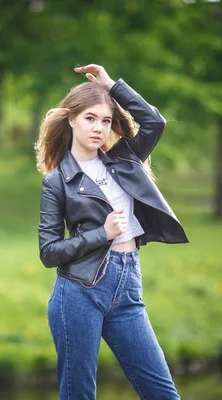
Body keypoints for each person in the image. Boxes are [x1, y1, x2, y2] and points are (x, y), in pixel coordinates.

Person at [35, 64, 189, 400]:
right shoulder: (57, 182)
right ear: (71, 119)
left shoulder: (124, 158)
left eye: (105, 121)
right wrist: (102, 234)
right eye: (90, 118)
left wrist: (112, 86)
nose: (99, 128)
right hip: (79, 293)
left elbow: (155, 123)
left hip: (128, 285)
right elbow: (48, 252)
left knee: (163, 393)